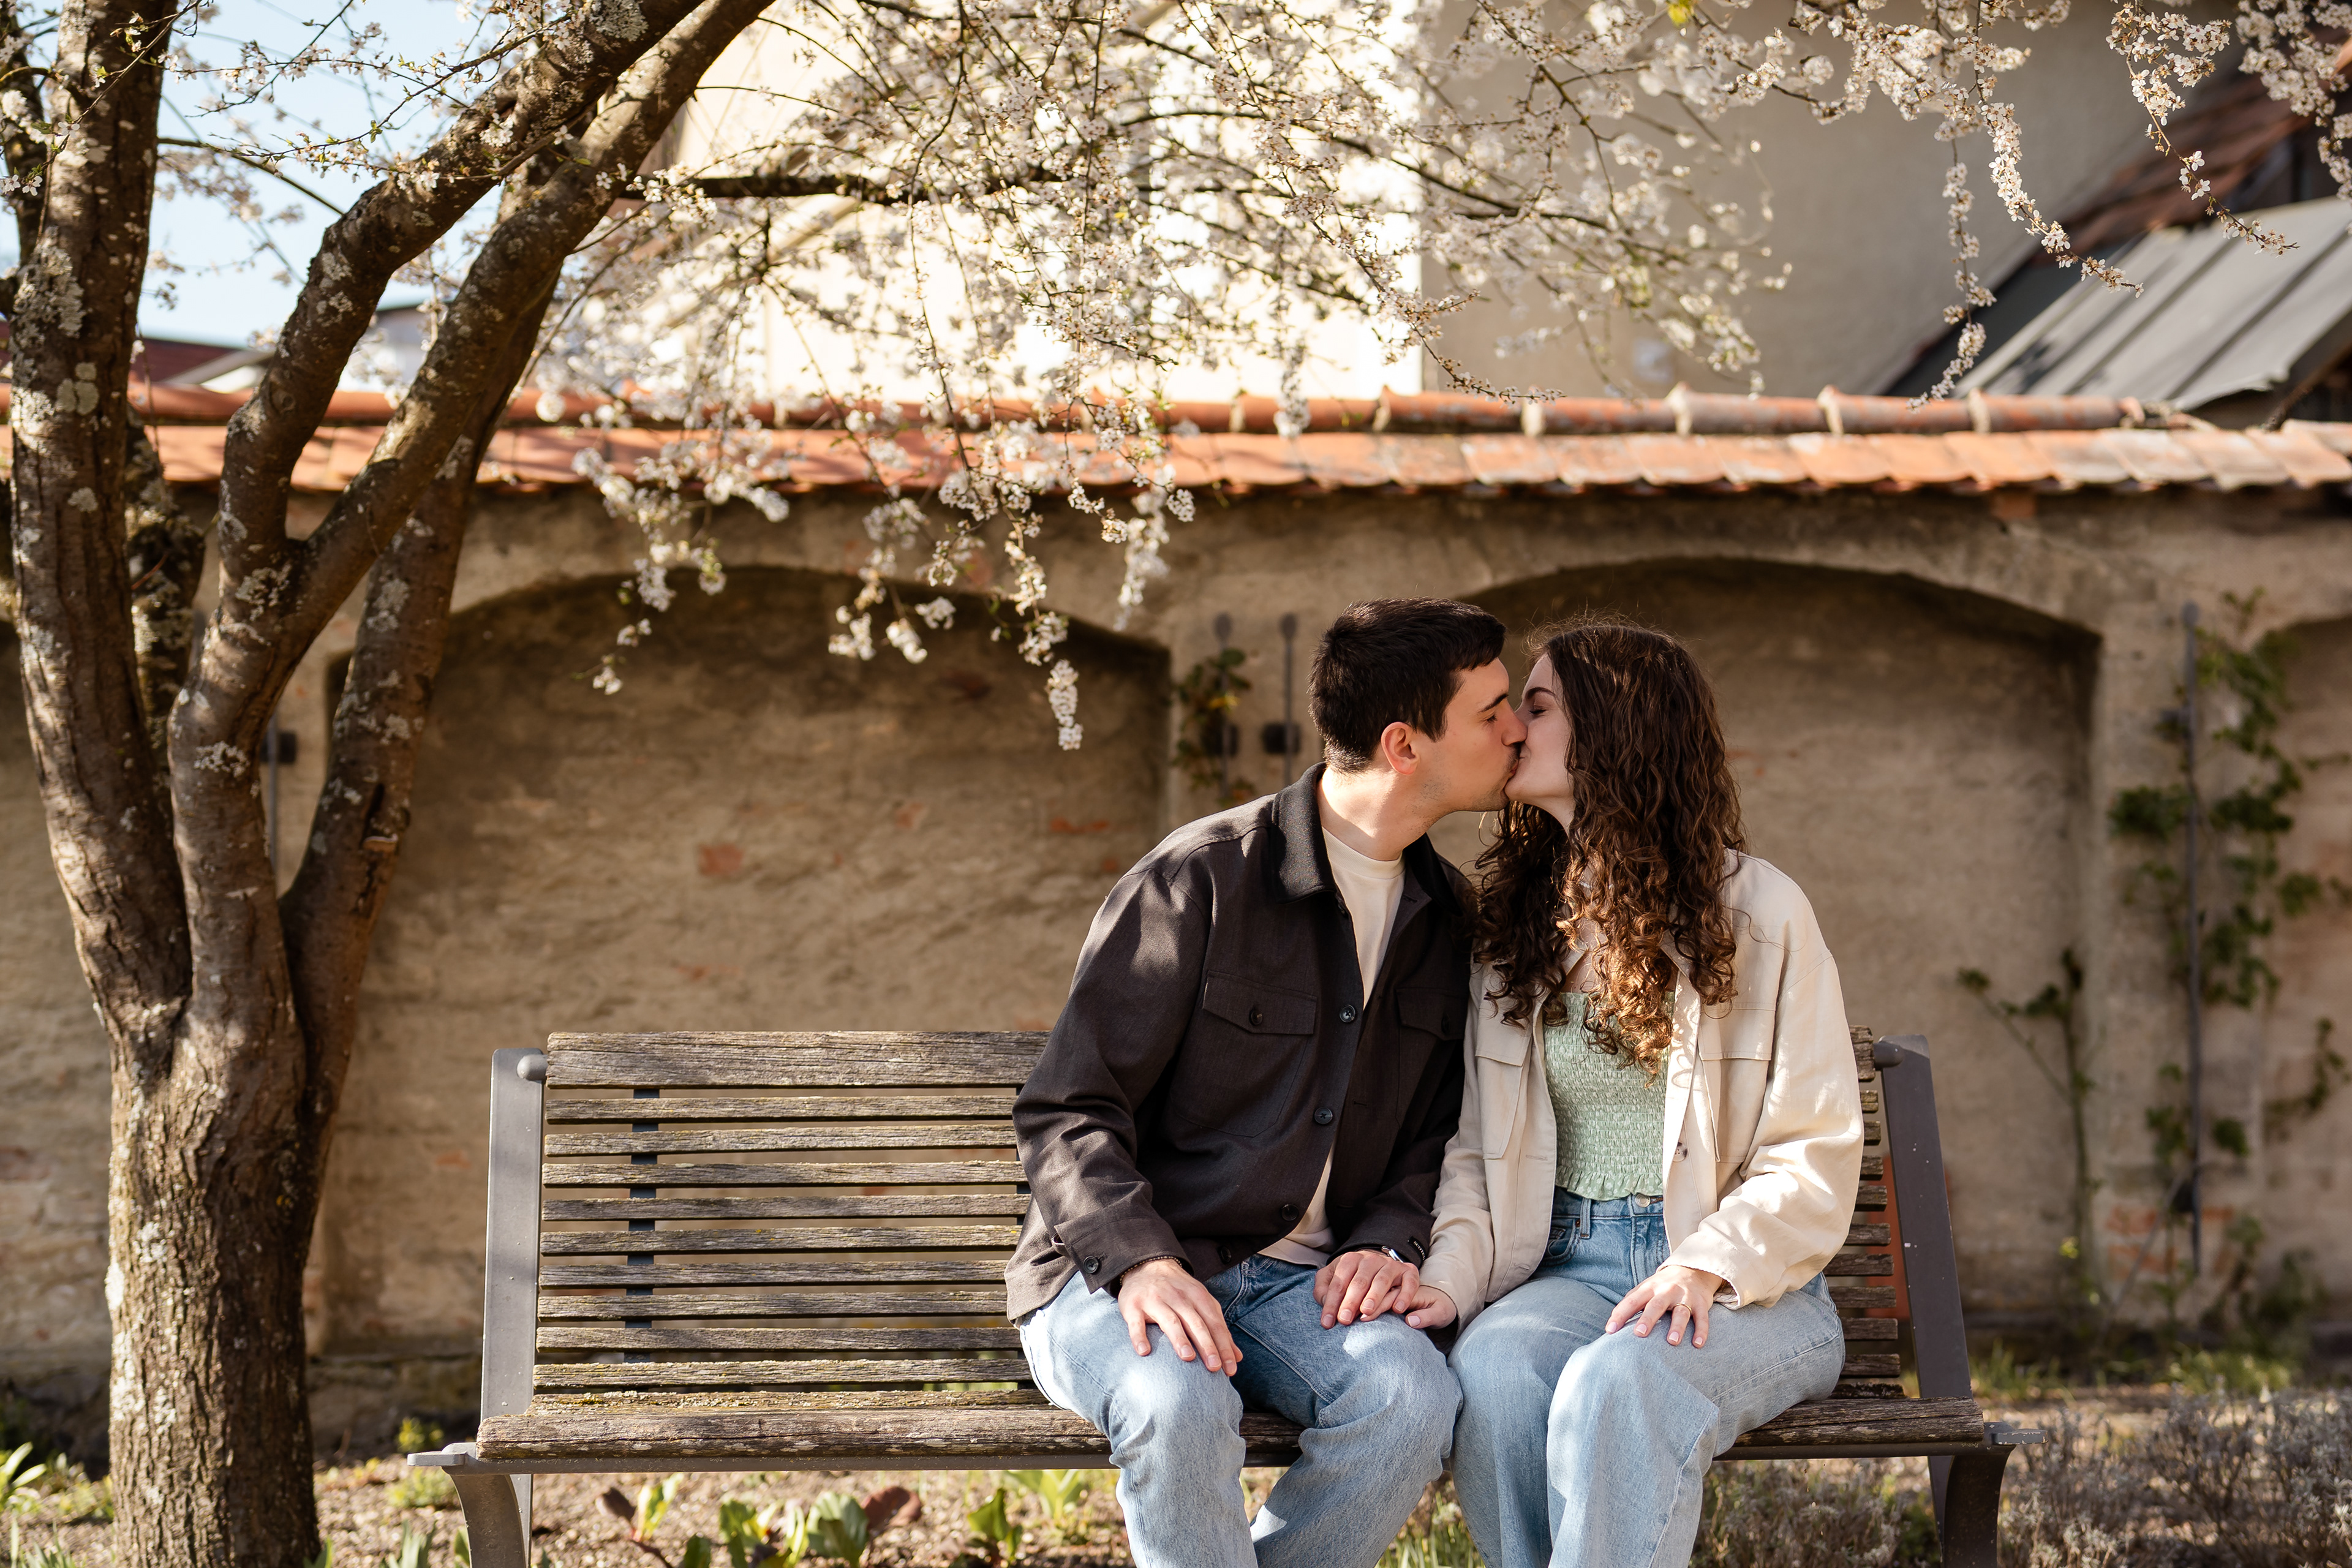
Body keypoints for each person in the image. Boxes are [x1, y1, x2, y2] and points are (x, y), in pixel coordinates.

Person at [1008, 598, 1529, 1568]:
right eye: (1493, 709)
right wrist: (1143, 1261)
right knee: (1176, 1400)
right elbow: (1068, 1107)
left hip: (1302, 1287)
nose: (1518, 729)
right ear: (1405, 744)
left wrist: (1387, 1238)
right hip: (1118, 1270)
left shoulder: (1450, 921)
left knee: (1411, 1398)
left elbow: (1437, 1132)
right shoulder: (1199, 881)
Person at [1396, 616, 1864, 1568]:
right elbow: (1478, 1151)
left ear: (1618, 728)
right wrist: (1450, 1282)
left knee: (1622, 1384)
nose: (1516, 730)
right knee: (1494, 1370)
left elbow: (1811, 1147)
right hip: (1567, 1266)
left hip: (1741, 1288)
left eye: (1538, 705)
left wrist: (1704, 1266)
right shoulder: (1515, 930)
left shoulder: (1760, 913)